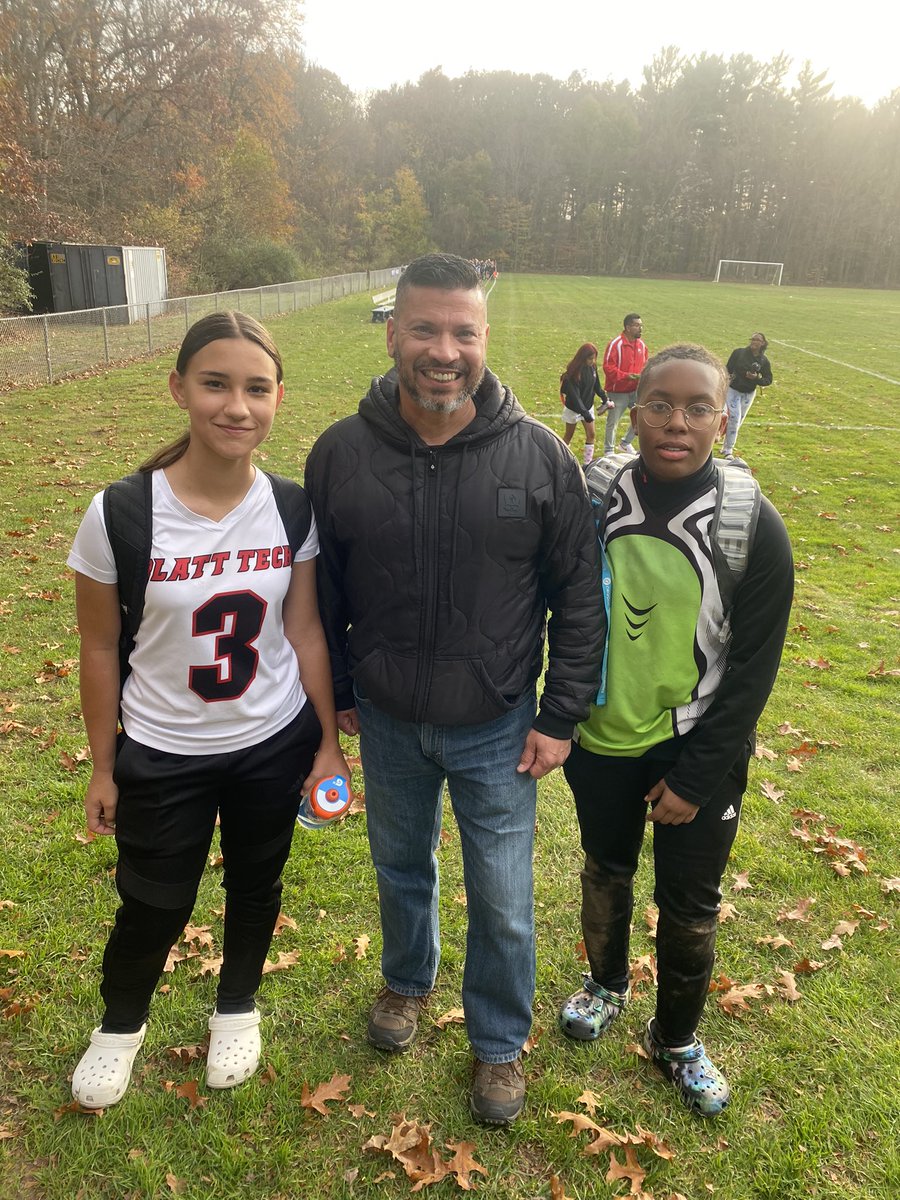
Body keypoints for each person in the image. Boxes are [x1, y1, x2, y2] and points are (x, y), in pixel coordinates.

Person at [304, 253, 603, 1126]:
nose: (444, 350)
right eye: (425, 329)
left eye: (463, 332)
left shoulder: (542, 458)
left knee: (504, 899)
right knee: (401, 869)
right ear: (393, 331)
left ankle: (499, 1044)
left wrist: (560, 717)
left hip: (499, 726)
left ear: (484, 338)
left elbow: (579, 595)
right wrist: (345, 693)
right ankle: (406, 985)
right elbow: (324, 594)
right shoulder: (341, 452)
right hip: (390, 721)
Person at [67, 311, 349, 1108]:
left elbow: (305, 630)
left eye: (256, 389)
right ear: (179, 389)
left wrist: (326, 742)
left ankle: (237, 1006)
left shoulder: (292, 509)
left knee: (257, 885)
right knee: (154, 900)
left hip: (270, 739)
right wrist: (102, 761)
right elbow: (96, 649)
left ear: (278, 399)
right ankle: (120, 1026)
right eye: (216, 384)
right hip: (162, 747)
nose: (237, 406)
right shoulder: (120, 514)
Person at [558, 343, 793, 1117]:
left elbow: (753, 672)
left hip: (698, 748)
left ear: (720, 414)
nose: (677, 422)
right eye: (660, 402)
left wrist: (696, 776)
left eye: (699, 407)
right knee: (606, 869)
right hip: (602, 739)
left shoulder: (752, 524)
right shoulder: (593, 495)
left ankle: (678, 1037)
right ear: (636, 403)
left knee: (690, 904)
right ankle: (606, 983)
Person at [560, 342, 613, 467]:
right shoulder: (572, 374)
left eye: (594, 358)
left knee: (591, 434)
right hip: (574, 409)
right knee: (568, 436)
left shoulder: (592, 367)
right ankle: (560, 457)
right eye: (590, 358)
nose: (593, 361)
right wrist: (584, 413)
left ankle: (587, 464)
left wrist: (605, 399)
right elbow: (575, 397)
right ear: (582, 358)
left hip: (587, 407)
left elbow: (597, 386)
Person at [602, 313, 648, 457]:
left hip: (635, 391)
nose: (640, 328)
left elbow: (646, 365)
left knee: (643, 416)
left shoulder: (641, 345)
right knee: (613, 421)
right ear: (628, 327)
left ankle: (625, 443)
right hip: (618, 392)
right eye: (637, 325)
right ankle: (609, 450)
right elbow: (608, 367)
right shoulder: (616, 344)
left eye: (641, 325)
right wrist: (626, 377)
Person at [723, 333, 772, 457]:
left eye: (757, 340)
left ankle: (726, 446)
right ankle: (729, 449)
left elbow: (768, 379)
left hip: (748, 393)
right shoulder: (738, 353)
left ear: (762, 343)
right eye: (753, 339)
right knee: (734, 417)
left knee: (739, 420)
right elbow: (727, 369)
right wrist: (726, 381)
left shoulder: (763, 361)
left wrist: (756, 379)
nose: (754, 341)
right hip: (733, 389)